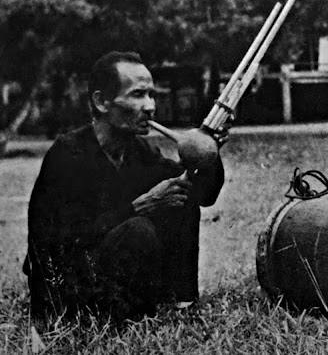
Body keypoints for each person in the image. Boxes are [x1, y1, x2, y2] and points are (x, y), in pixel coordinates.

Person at [23, 51, 226, 323]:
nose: (150, 106)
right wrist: (138, 207)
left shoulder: (138, 150)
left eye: (151, 95)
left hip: (108, 276)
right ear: (102, 102)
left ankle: (182, 302)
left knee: (178, 197)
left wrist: (209, 153)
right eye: (137, 95)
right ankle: (127, 315)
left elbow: (201, 195)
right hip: (65, 288)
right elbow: (58, 245)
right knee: (137, 230)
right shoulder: (68, 155)